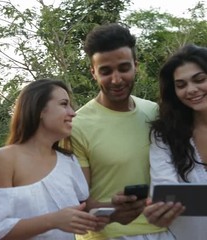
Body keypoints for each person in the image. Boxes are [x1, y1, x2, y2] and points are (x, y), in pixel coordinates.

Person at [71, 23, 174, 239]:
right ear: (93, 73)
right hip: (107, 235)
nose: (116, 79)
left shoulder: (154, 112)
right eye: (106, 71)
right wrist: (112, 210)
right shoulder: (77, 124)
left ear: (136, 66)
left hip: (162, 231)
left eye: (124, 68)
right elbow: (76, 200)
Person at [0, 79, 107, 240]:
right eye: (64, 104)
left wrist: (117, 207)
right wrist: (53, 221)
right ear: (40, 110)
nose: (73, 113)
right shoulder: (5, 159)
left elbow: (84, 208)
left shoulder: (68, 161)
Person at [143, 44, 207, 240]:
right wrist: (161, 209)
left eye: (200, 80)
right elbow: (165, 188)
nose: (191, 90)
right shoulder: (165, 134)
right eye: (181, 85)